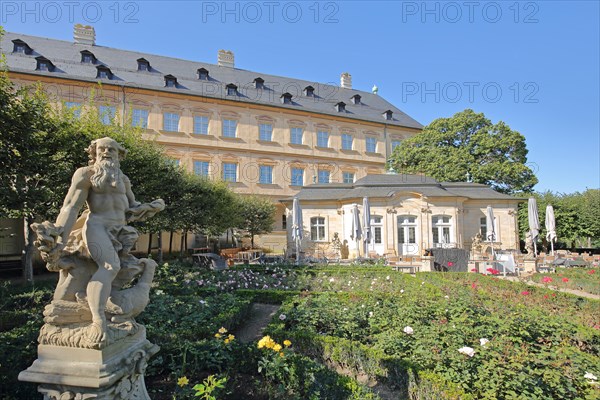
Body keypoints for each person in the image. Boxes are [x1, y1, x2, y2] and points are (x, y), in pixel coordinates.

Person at [52, 137, 161, 344]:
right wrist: (60, 235)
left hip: (120, 230)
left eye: (111, 149)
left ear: (119, 154)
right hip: (97, 226)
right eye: (101, 149)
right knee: (110, 267)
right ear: (94, 153)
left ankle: (99, 307)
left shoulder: (123, 179)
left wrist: (150, 207)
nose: (106, 152)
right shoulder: (86, 174)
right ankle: (98, 319)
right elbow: (70, 207)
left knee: (118, 272)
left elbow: (131, 206)